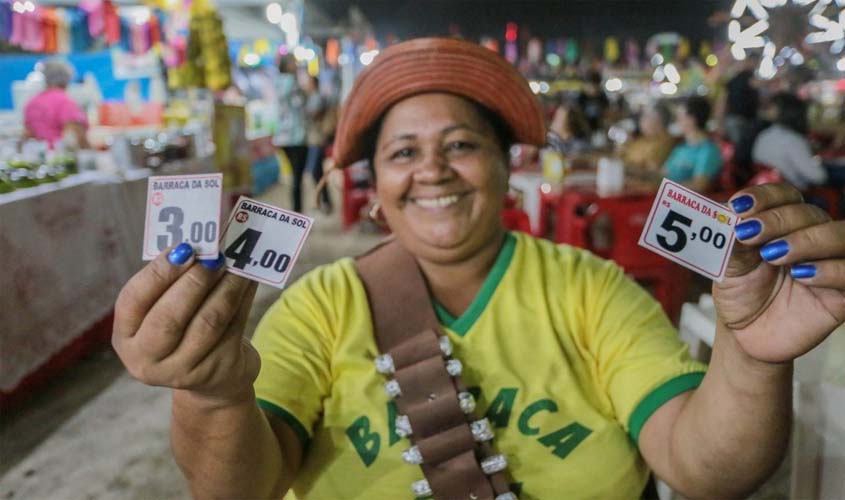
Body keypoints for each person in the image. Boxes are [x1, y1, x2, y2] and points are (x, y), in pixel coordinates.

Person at [112, 38, 845, 499]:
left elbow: (704, 469)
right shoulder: (317, 306)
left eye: (461, 144)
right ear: (375, 196)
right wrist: (210, 396)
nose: (431, 168)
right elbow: (238, 489)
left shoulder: (588, 287)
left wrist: (748, 356)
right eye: (402, 152)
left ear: (506, 171)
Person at [752, 93, 827, 190]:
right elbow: (819, 177)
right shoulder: (793, 140)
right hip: (796, 194)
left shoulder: (764, 135)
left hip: (768, 188)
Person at [23, 58, 89, 149]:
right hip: (60, 157)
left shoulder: (32, 103)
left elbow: (28, 133)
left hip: (39, 155)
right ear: (67, 79)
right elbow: (74, 136)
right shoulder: (65, 102)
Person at [661, 96, 723, 191]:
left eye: (679, 117)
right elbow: (663, 173)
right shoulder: (681, 147)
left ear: (692, 119)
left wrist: (663, 188)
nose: (677, 121)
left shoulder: (708, 150)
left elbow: (699, 185)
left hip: (676, 201)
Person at [273, 55, 308, 212]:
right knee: (297, 178)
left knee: (294, 177)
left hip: (282, 136)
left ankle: (296, 211)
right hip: (296, 136)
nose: (296, 65)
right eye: (294, 62)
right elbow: (300, 105)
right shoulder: (293, 83)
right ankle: (297, 212)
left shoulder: (276, 82)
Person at [302, 75, 332, 213]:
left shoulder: (317, 98)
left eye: (308, 82)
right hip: (314, 139)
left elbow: (313, 115)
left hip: (317, 139)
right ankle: (324, 201)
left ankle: (322, 200)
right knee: (318, 171)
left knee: (315, 171)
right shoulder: (313, 97)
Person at [620, 101, 675, 173]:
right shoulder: (642, 139)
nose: (641, 121)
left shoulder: (664, 142)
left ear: (658, 121)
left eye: (646, 117)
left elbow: (650, 170)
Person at [720, 57, 759, 144]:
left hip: (734, 119)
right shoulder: (748, 77)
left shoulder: (733, 80)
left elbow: (723, 102)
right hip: (741, 120)